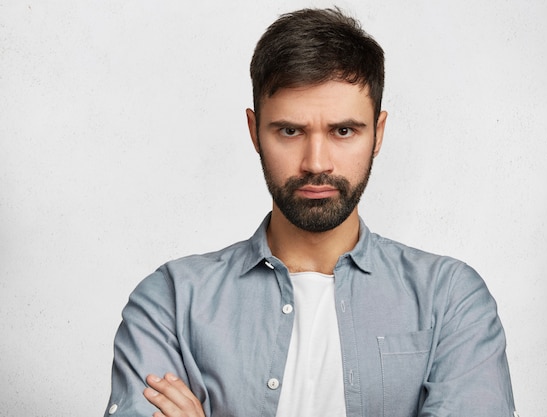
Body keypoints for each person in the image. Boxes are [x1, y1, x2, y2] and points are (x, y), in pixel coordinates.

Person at [104, 7, 517, 417]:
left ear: (378, 133)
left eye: (343, 131)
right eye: (290, 130)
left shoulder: (450, 299)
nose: (316, 163)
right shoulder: (171, 302)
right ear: (254, 132)